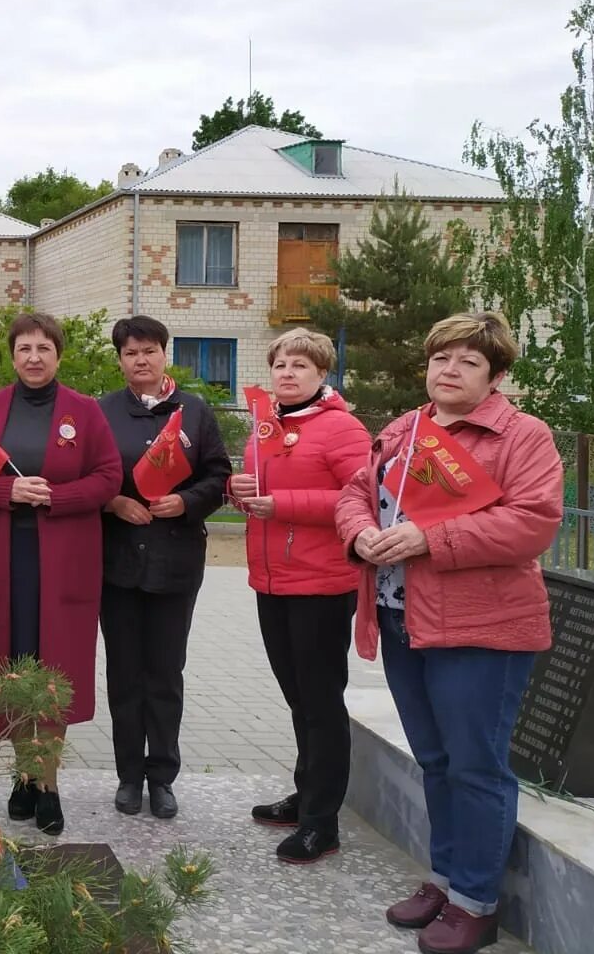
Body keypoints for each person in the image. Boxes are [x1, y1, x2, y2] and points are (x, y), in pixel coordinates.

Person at [337, 313, 562, 954]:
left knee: (475, 766)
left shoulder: (523, 435)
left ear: (495, 376)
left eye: (467, 362)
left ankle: (476, 902)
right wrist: (359, 531)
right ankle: (445, 878)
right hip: (403, 617)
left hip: (482, 630)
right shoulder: (407, 428)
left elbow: (533, 522)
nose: (449, 371)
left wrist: (429, 539)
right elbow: (356, 490)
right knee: (434, 760)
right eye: (441, 359)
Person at [0, 312, 121, 837]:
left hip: (61, 562)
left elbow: (108, 477)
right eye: (24, 348)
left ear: (59, 355)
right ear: (12, 356)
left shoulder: (85, 411)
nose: (34, 357)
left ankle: (48, 784)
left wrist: (56, 495)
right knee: (11, 665)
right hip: (4, 558)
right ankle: (21, 776)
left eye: (44, 349)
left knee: (53, 672)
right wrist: (5, 492)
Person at [230, 327, 370, 864]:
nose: (287, 373)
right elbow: (258, 489)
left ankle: (322, 822)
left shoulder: (341, 428)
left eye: (301, 366)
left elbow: (359, 497)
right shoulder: (267, 427)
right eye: (281, 364)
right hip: (273, 580)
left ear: (322, 375)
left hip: (321, 583)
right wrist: (238, 493)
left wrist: (283, 503)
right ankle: (306, 794)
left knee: (321, 703)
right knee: (298, 700)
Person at [98, 315, 232, 821]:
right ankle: (129, 776)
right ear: (120, 360)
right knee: (124, 673)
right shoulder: (103, 412)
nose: (141, 360)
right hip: (118, 564)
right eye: (131, 353)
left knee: (165, 674)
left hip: (174, 560)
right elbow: (88, 474)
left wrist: (187, 500)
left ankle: (162, 777)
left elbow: (218, 473)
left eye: (150, 350)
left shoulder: (194, 412)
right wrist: (112, 502)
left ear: (164, 354)